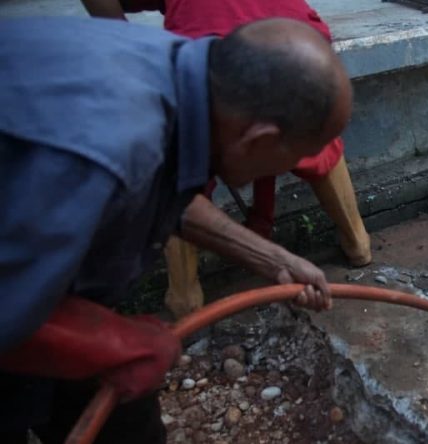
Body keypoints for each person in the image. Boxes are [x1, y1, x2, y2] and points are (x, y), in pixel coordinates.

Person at [0, 16, 349, 443]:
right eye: (298, 157)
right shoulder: (101, 150)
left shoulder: (176, 78)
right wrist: (117, 340)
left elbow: (156, 188)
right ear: (259, 140)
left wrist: (270, 257)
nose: (293, 172)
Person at [82, 0, 373, 319]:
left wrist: (274, 260)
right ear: (256, 139)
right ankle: (357, 243)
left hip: (271, 41)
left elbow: (172, 200)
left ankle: (184, 301)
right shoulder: (124, 135)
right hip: (273, 37)